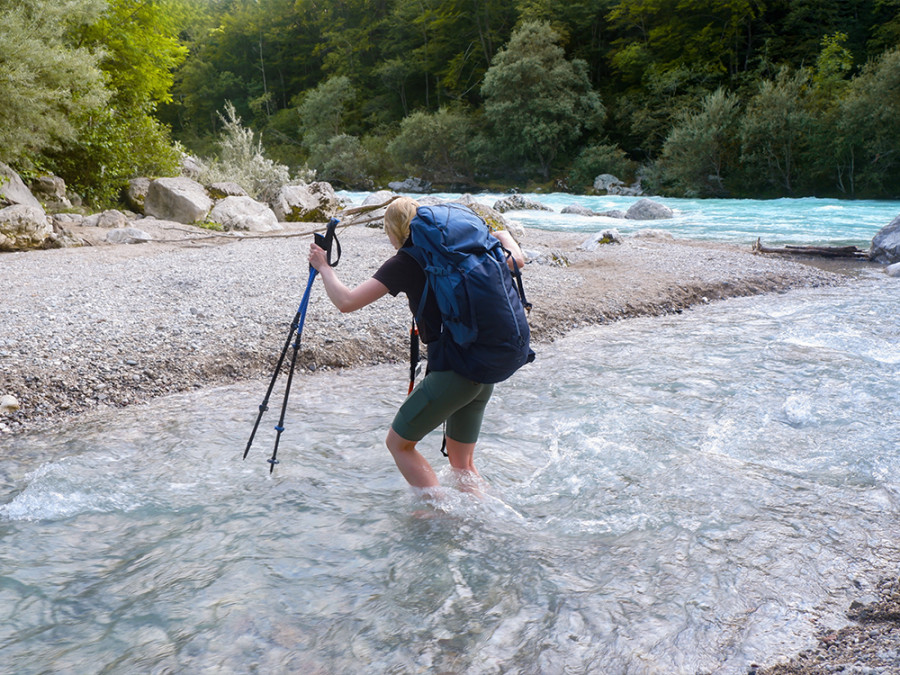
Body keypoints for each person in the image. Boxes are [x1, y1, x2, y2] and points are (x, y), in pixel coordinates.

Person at [308, 197, 526, 490]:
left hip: (454, 372)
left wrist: (323, 267)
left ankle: (432, 513)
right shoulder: (464, 253)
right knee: (462, 465)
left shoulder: (405, 261)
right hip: (483, 367)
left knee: (398, 444)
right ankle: (477, 524)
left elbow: (346, 301)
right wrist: (498, 233)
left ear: (393, 231)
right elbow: (518, 259)